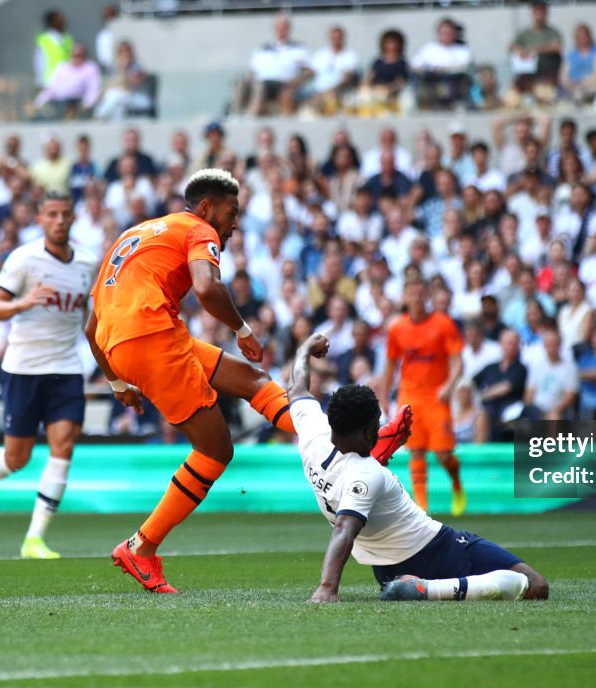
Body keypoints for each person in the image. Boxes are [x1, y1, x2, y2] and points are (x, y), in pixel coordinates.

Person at [87, 169, 409, 593]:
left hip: (135, 341)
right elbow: (206, 287)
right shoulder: (199, 230)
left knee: (254, 381)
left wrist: (117, 383)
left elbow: (92, 326)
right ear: (206, 208)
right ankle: (141, 546)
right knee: (216, 449)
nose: (235, 222)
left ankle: (344, 442)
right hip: (153, 339)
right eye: (231, 211)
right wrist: (244, 331)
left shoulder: (140, 233)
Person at [288, 333, 548, 603]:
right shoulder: (367, 473)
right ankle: (424, 589)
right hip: (434, 549)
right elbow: (344, 528)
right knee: (535, 585)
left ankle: (413, 587)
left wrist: (304, 349)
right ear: (368, 432)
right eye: (377, 425)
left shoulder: (312, 433)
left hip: (388, 569)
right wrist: (327, 587)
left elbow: (296, 388)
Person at [0, 192, 95, 560]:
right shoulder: (23, 259)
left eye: (65, 214)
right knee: (16, 458)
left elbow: (91, 315)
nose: (59, 220)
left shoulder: (87, 261)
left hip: (67, 367)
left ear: (73, 218)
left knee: (63, 445)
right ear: (40, 219)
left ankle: (34, 539)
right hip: (23, 368)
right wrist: (23, 302)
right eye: (52, 214)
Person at [380, 277, 465, 515]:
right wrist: (384, 395)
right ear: (405, 297)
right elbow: (389, 365)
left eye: (420, 294)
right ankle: (422, 507)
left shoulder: (443, 324)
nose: (416, 299)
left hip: (437, 397)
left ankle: (456, 482)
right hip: (410, 396)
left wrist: (449, 385)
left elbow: (458, 361)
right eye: (412, 294)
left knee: (443, 454)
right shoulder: (397, 328)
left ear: (427, 296)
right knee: (415, 450)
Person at [508, 1, 563, 96]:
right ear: (532, 13)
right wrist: (521, 51)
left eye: (542, 11)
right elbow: (511, 46)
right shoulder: (525, 33)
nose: (540, 14)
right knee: (512, 93)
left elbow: (557, 47)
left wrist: (534, 50)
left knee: (543, 94)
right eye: (537, 11)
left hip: (547, 75)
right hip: (527, 75)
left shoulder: (552, 32)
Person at [559, 23, 596, 105]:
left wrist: (585, 84)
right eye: (579, 37)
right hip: (573, 88)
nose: (583, 40)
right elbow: (563, 77)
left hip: (592, 88)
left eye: (584, 37)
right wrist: (571, 85)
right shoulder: (571, 55)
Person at [34, 9, 73, 89]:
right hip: (49, 82)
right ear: (51, 22)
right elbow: (39, 62)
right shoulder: (44, 40)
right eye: (59, 19)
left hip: (66, 82)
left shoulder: (68, 38)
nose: (63, 21)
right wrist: (41, 81)